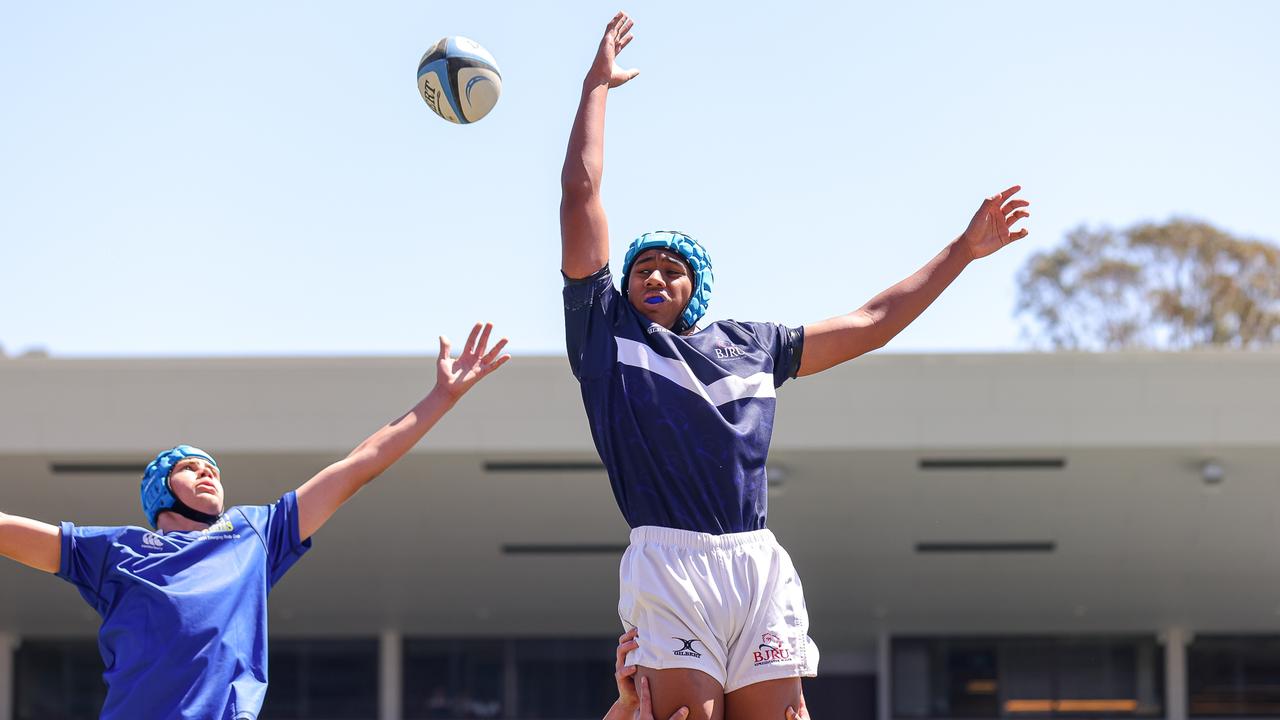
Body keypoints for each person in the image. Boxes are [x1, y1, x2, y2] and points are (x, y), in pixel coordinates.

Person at [560, 12, 1030, 720]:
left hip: (756, 563)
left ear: (698, 292)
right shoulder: (605, 333)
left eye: (672, 270)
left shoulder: (754, 345)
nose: (655, 278)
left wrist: (961, 252)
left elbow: (873, 323)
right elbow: (581, 195)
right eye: (642, 269)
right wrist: (595, 86)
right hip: (669, 563)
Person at [0, 323, 509, 720]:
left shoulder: (254, 534)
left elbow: (357, 467)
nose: (207, 474)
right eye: (190, 468)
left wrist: (441, 397)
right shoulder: (117, 550)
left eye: (213, 469)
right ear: (160, 492)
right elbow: (18, 536)